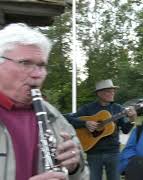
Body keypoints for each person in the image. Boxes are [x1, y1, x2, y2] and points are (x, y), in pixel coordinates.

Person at [0, 23, 89, 180]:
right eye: (25, 63)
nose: (37, 74)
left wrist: (74, 168)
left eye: (41, 65)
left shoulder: (54, 117)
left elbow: (83, 175)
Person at [66, 79, 137, 180]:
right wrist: (85, 123)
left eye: (113, 91)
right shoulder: (88, 108)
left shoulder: (118, 108)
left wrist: (132, 120)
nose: (112, 93)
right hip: (93, 152)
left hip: (113, 152)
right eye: (109, 91)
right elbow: (68, 119)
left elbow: (125, 130)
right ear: (99, 93)